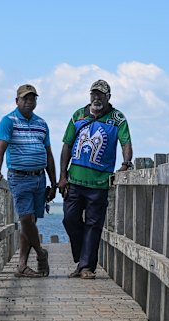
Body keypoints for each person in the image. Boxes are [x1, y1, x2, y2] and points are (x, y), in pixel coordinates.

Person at [58, 79, 133, 279]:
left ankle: (86, 267)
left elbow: (126, 142)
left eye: (101, 94)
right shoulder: (78, 115)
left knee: (93, 224)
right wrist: (62, 176)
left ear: (109, 97)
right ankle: (83, 258)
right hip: (75, 180)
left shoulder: (118, 118)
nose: (96, 97)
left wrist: (126, 163)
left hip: (99, 183)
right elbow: (66, 145)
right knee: (69, 219)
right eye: (93, 94)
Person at [0, 83, 57, 278]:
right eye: (25, 99)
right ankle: (40, 253)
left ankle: (22, 265)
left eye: (33, 99)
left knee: (30, 221)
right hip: (19, 177)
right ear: (17, 101)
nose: (29, 102)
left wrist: (53, 183)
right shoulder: (9, 121)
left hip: (39, 178)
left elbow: (48, 154)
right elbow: (0, 149)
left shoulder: (41, 123)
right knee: (26, 219)